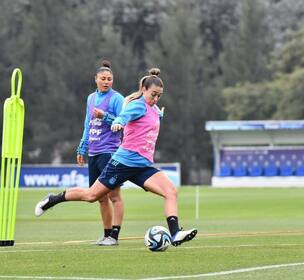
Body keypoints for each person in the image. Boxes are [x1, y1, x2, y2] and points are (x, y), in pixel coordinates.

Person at [35, 68, 197, 246]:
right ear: (144, 89)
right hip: (123, 162)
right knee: (91, 196)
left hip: (143, 165)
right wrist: (118, 122)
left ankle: (175, 233)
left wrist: (159, 114)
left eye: (159, 95)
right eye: (153, 94)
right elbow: (124, 116)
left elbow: (149, 119)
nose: (156, 99)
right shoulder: (137, 105)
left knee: (171, 191)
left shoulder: (154, 108)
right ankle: (53, 199)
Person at [36, 60, 124, 246]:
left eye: (109, 79)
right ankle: (106, 234)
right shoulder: (91, 98)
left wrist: (105, 117)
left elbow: (123, 122)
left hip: (110, 152)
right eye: (103, 79)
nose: (106, 82)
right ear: (96, 79)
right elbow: (87, 123)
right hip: (94, 152)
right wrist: (82, 148)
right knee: (99, 198)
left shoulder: (117, 99)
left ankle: (114, 237)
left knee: (114, 196)